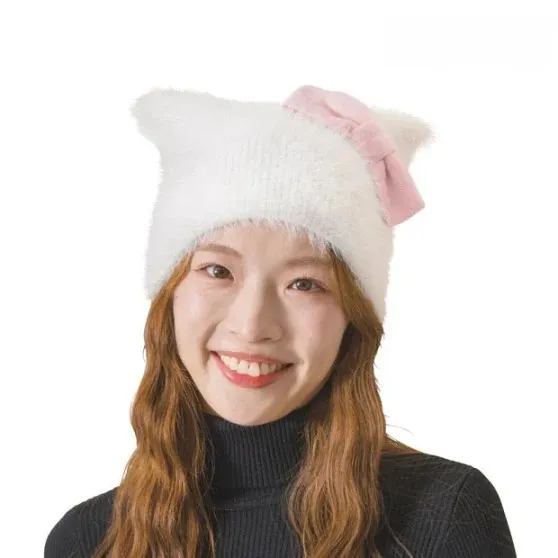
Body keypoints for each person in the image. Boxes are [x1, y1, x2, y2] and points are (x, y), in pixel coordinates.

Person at [44, 84, 517, 557]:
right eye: (218, 271)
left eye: (304, 284)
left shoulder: (441, 514)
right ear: (170, 297)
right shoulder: (87, 540)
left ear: (353, 318)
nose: (252, 326)